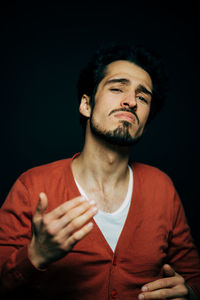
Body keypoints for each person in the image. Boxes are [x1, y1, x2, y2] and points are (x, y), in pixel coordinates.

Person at [0, 44, 200, 300]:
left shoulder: (162, 187)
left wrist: (190, 293)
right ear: (86, 104)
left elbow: (192, 276)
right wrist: (36, 255)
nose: (131, 101)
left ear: (146, 123)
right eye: (117, 88)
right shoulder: (32, 186)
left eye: (143, 97)